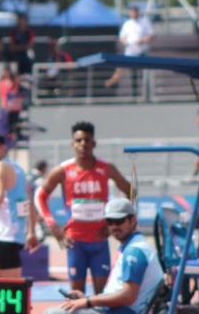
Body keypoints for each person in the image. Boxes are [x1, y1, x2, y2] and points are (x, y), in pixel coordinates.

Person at [35, 121, 133, 295]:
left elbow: (131, 192)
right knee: (76, 295)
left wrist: (114, 225)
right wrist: (53, 226)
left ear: (94, 143)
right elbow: (39, 197)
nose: (83, 144)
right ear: (72, 144)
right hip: (75, 242)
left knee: (102, 294)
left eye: (87, 140)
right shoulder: (63, 170)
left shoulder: (106, 168)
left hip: (99, 241)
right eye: (79, 140)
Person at [41, 198, 163, 314]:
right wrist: (88, 299)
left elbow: (128, 296)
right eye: (110, 222)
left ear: (133, 220)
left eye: (119, 221)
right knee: (63, 310)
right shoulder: (132, 247)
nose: (114, 226)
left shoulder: (135, 252)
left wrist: (89, 302)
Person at [0, 132, 38, 285]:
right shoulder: (18, 168)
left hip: (6, 235)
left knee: (9, 289)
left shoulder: (0, 166)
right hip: (12, 235)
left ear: (3, 148)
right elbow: (29, 202)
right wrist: (31, 231)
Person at [104, 6, 153, 91]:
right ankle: (114, 81)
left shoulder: (145, 22)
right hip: (130, 52)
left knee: (143, 74)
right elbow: (122, 37)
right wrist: (125, 41)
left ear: (138, 13)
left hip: (142, 52)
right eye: (132, 12)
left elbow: (151, 36)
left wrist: (142, 40)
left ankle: (145, 93)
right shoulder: (127, 24)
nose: (133, 14)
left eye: (135, 12)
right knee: (125, 70)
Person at [0, 68, 23, 145]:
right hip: (7, 106)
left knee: (13, 124)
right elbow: (3, 95)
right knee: (6, 124)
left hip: (13, 106)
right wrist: (5, 105)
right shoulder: (3, 83)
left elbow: (15, 92)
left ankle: (13, 138)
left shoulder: (14, 82)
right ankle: (8, 139)